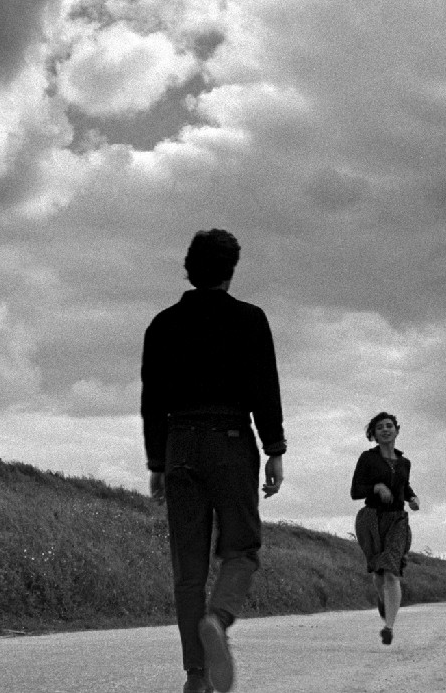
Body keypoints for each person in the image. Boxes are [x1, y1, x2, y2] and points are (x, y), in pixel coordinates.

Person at [141, 229, 286, 693]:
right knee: (241, 550)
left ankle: (196, 676)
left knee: (188, 570)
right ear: (230, 271)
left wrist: (157, 463)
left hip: (179, 444)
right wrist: (275, 449)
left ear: (189, 269)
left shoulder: (162, 325)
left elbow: (151, 402)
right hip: (230, 441)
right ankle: (218, 620)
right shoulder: (249, 319)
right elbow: (265, 387)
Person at [350, 411, 420, 645]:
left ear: (397, 431)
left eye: (389, 426)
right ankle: (383, 600)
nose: (385, 430)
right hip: (371, 520)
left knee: (391, 571)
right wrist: (376, 487)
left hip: (397, 520)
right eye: (380, 427)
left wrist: (412, 497)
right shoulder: (367, 459)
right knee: (379, 573)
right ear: (374, 434)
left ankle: (388, 627)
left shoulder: (404, 463)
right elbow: (355, 491)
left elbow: (404, 486)